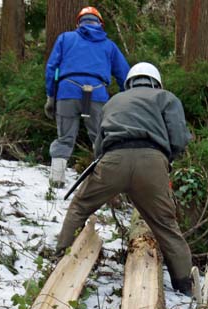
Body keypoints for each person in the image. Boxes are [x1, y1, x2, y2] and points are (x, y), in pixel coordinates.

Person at [56, 62, 195, 295]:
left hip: (113, 160)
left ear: (129, 82)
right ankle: (185, 286)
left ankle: (60, 255)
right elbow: (179, 138)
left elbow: (98, 144)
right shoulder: (166, 98)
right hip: (152, 162)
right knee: (166, 226)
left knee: (80, 206)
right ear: (156, 81)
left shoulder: (113, 101)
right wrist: (166, 158)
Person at [44, 6, 130, 187]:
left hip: (67, 92)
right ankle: (104, 182)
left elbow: (52, 68)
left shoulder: (65, 39)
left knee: (65, 138)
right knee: (100, 140)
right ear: (100, 23)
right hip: (97, 94)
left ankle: (56, 181)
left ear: (79, 23)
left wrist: (51, 95)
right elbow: (124, 74)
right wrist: (128, 99)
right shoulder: (109, 45)